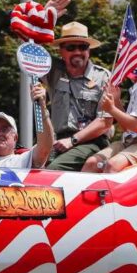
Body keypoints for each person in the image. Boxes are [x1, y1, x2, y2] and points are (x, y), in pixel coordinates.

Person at [41, 21, 114, 171]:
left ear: (89, 50)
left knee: (53, 170)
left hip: (91, 142)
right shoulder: (53, 70)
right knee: (32, 166)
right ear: (61, 51)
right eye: (71, 47)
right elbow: (28, 50)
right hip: (58, 141)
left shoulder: (103, 77)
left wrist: (73, 140)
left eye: (83, 47)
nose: (77, 52)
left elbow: (105, 122)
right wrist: (46, 17)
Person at [83, 44, 137, 173]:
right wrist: (116, 101)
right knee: (92, 163)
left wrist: (111, 109)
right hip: (132, 141)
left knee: (112, 166)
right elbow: (128, 127)